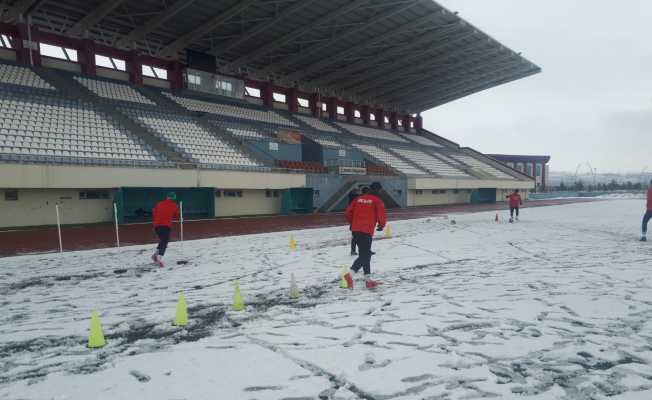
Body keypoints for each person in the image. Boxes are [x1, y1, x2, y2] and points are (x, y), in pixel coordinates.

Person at [344, 182, 386, 289]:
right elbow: (381, 213)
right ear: (377, 190)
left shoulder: (357, 199)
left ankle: (368, 281)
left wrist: (353, 223)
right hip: (366, 231)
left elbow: (348, 212)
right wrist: (381, 225)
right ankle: (349, 275)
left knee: (365, 254)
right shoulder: (377, 200)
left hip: (355, 230)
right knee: (365, 255)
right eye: (380, 190)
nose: (381, 192)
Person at [151, 192, 179, 267]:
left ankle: (155, 255)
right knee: (164, 241)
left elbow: (154, 212)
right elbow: (176, 216)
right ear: (174, 198)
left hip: (156, 226)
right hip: (165, 226)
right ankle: (159, 257)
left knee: (162, 241)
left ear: (167, 197)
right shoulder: (174, 205)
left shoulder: (159, 203)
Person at [348, 188, 360, 255]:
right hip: (356, 221)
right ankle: (353, 250)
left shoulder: (352, 200)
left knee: (355, 237)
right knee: (356, 237)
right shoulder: (355, 200)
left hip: (354, 221)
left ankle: (353, 250)